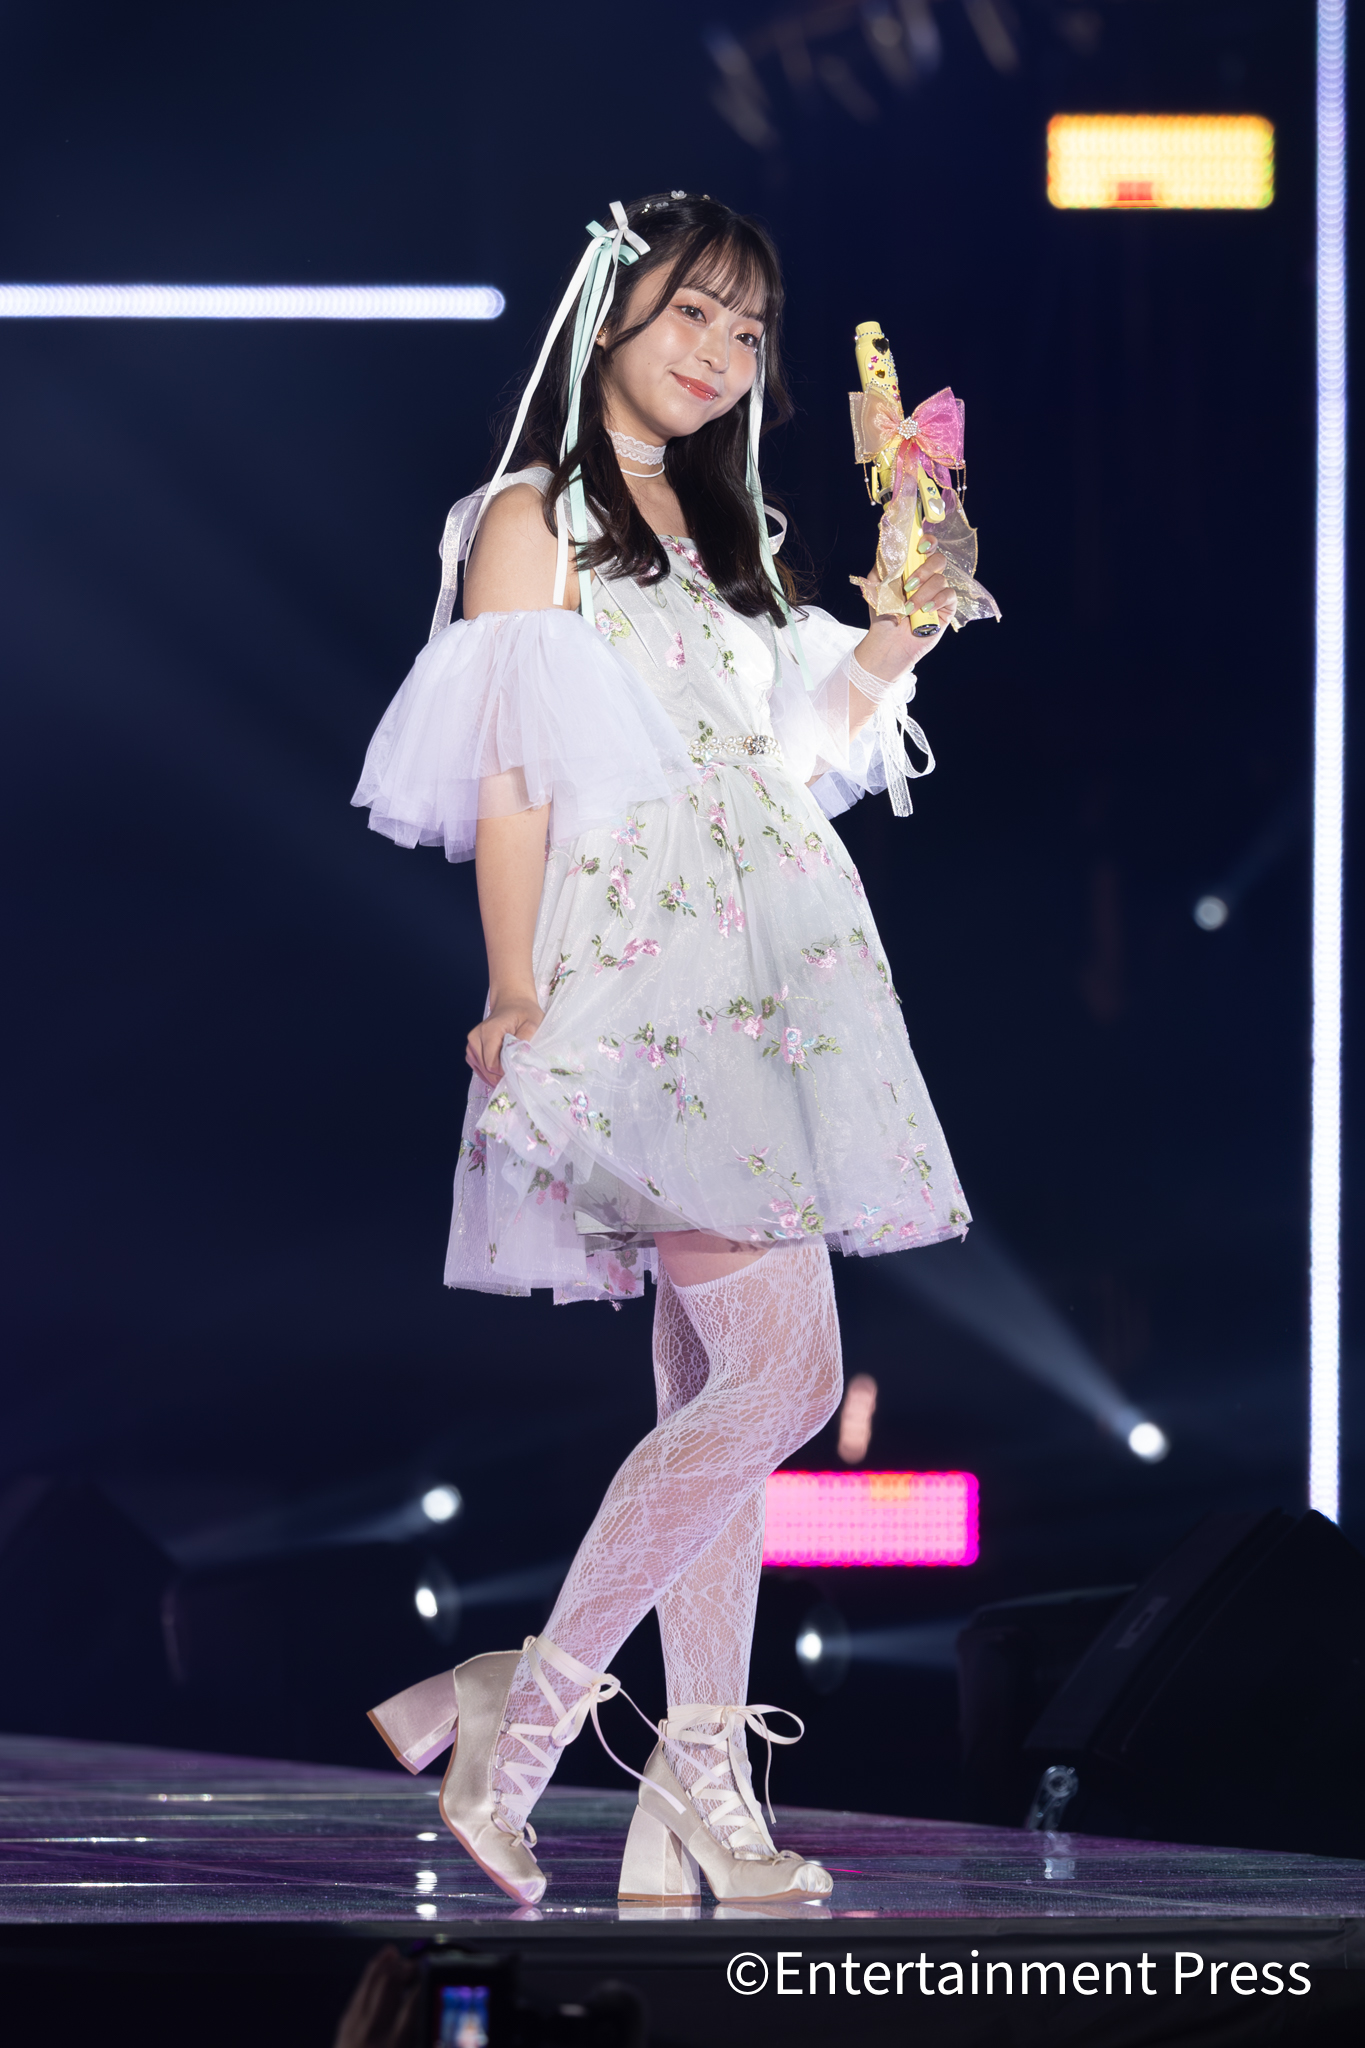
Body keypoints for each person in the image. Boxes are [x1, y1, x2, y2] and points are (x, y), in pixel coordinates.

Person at [354, 192, 970, 1908]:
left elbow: (802, 749)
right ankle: (529, 1705)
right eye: (691, 312)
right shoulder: (528, 517)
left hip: (773, 966)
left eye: (747, 331)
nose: (718, 352)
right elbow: (507, 780)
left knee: (722, 1398)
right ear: (611, 311)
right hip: (643, 978)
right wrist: (511, 987)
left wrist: (903, 619)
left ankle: (700, 1781)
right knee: (781, 1380)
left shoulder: (727, 532)